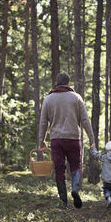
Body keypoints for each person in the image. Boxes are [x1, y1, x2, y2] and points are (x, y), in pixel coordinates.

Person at [38, 72, 95, 209]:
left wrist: (41, 141)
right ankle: (74, 188)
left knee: (59, 170)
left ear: (57, 83)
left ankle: (63, 202)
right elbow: (85, 120)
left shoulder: (48, 99)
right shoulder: (76, 98)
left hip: (56, 140)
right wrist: (92, 139)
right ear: (68, 83)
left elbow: (43, 122)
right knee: (76, 166)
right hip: (73, 139)